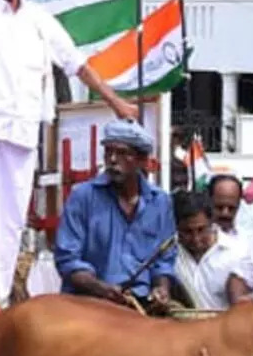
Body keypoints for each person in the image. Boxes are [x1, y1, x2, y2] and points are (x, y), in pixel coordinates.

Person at [0, 0, 139, 305]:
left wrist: (116, 102)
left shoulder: (39, 18)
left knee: (11, 220)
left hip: (23, 129)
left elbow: (77, 64)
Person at [54, 119, 175, 307]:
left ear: (142, 160)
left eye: (122, 153)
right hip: (88, 302)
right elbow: (68, 260)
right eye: (108, 152)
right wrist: (101, 288)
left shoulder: (160, 202)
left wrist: (161, 288)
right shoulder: (82, 196)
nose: (112, 160)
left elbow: (164, 261)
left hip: (140, 304)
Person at [170, 192, 237, 310]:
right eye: (187, 232)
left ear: (212, 222)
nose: (196, 239)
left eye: (201, 230)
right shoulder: (169, 253)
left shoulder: (235, 253)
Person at [207, 174, 243, 239]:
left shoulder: (248, 240)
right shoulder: (198, 240)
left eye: (231, 208)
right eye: (219, 207)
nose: (225, 213)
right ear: (209, 201)